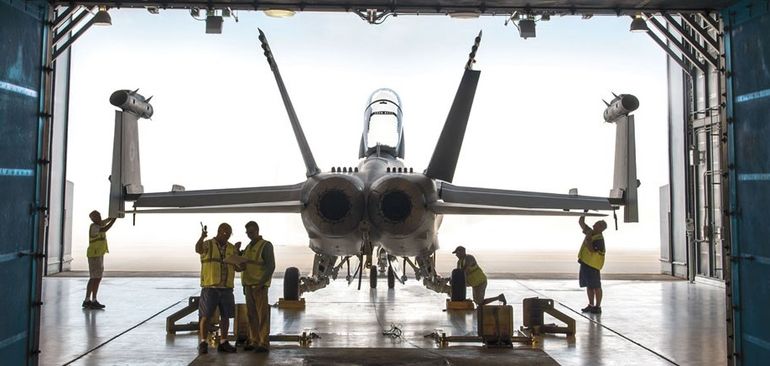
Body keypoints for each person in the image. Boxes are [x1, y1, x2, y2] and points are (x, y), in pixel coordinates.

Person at [196, 223, 240, 355]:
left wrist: (238, 256)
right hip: (211, 287)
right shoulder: (208, 244)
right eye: (225, 232)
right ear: (219, 231)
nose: (226, 235)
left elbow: (237, 268)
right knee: (205, 316)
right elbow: (198, 249)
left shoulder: (231, 248)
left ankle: (223, 342)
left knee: (226, 316)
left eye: (229, 233)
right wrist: (201, 237)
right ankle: (203, 342)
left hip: (226, 287)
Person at [238, 221, 275, 353]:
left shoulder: (266, 245)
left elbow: (271, 266)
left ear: (257, 231)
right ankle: (254, 341)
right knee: (251, 315)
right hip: (248, 286)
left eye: (251, 232)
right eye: (247, 232)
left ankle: (263, 343)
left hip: (259, 286)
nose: (249, 235)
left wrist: (261, 284)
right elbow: (242, 266)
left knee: (261, 315)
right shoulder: (248, 248)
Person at [83, 210, 115, 309]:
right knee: (93, 277)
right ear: (92, 218)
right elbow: (105, 228)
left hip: (99, 254)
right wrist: (114, 220)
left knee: (98, 277)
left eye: (100, 215)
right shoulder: (94, 227)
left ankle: (93, 300)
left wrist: (113, 217)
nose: (99, 217)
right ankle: (87, 300)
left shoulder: (99, 224)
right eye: (97, 216)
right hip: (94, 255)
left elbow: (105, 222)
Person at [577, 214, 607, 314]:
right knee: (589, 286)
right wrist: (584, 212)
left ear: (601, 228)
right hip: (586, 263)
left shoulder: (599, 239)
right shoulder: (591, 232)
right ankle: (591, 305)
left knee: (596, 286)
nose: (594, 224)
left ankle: (597, 307)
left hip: (593, 266)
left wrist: (588, 238)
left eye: (597, 224)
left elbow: (591, 249)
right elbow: (581, 223)